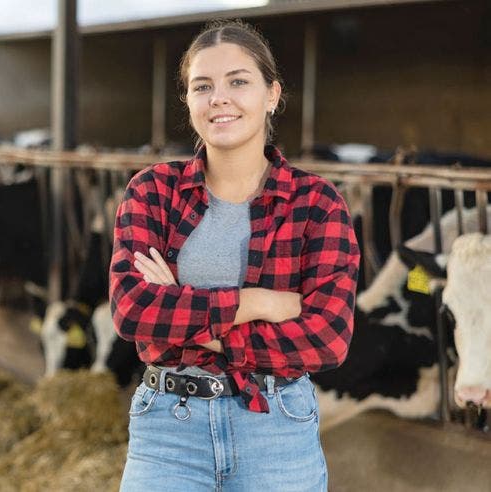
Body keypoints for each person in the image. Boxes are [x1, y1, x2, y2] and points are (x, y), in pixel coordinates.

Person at [110, 20, 360, 491]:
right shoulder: (153, 191)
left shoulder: (317, 203)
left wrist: (182, 307)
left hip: (276, 428)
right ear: (188, 101)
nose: (219, 97)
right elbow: (132, 312)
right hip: (168, 428)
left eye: (238, 81)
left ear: (272, 94)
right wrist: (258, 303)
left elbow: (327, 339)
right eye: (202, 86)